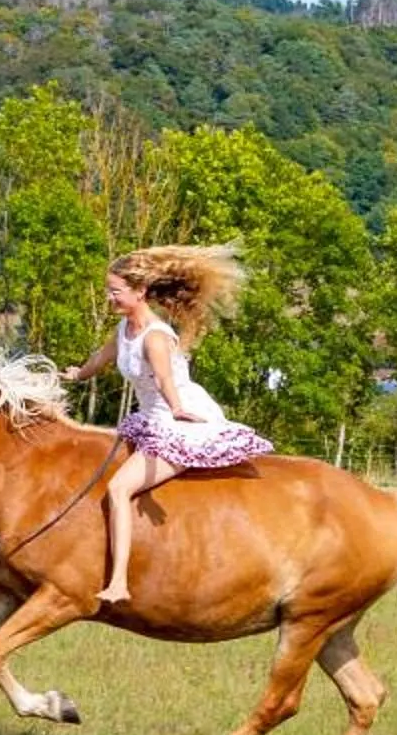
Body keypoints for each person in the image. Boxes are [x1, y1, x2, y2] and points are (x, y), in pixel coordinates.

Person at [61, 243, 275, 606]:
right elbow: (104, 357)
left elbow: (164, 379)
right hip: (152, 416)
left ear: (139, 292)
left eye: (115, 291)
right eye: (108, 291)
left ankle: (118, 583)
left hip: (179, 417)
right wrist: (79, 374)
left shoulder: (156, 336)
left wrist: (177, 409)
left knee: (118, 489)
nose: (109, 298)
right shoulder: (124, 329)